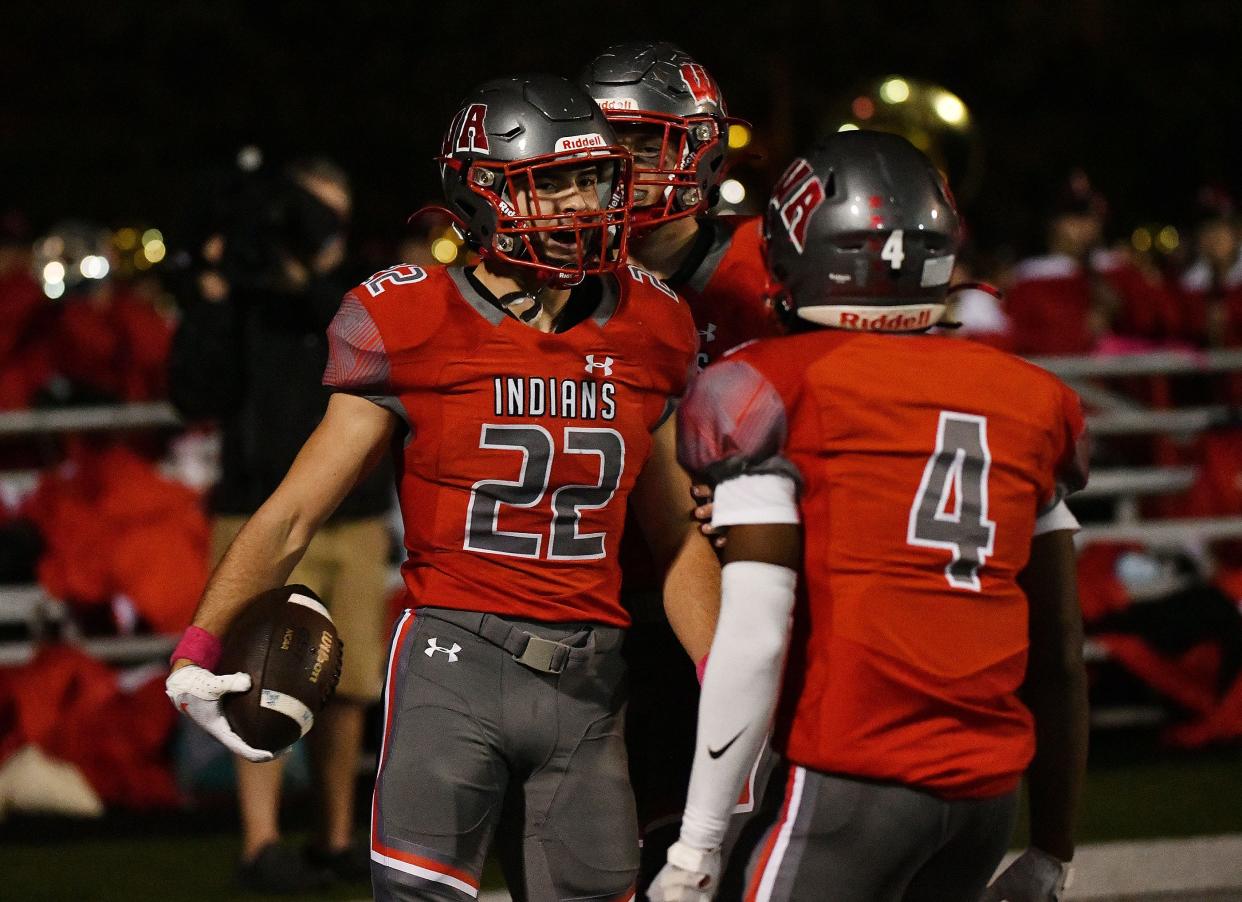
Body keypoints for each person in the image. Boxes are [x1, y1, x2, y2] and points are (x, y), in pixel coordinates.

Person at [166, 74, 720, 901]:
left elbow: (676, 539)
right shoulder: (411, 315)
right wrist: (198, 648)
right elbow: (291, 514)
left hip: (592, 682)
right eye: (551, 184)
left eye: (590, 179)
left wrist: (727, 678)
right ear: (485, 194)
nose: (581, 204)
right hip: (455, 665)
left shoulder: (655, 323)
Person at [653, 131, 1090, 902]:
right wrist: (1053, 847)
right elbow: (1059, 650)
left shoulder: (764, 385)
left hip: (852, 774)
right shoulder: (1033, 396)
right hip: (987, 793)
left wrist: (697, 846)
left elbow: (753, 635)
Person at [581, 41, 784, 893]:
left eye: (642, 144)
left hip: (759, 586)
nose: (620, 168)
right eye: (604, 146)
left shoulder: (771, 271)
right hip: (613, 595)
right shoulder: (564, 278)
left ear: (698, 147)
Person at [167, 157, 393, 892]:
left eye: (322, 211)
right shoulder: (247, 289)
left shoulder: (362, 291)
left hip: (350, 513)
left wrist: (310, 286)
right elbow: (194, 390)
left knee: (349, 683)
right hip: (255, 510)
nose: (308, 225)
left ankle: (335, 836)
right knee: (248, 674)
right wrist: (212, 297)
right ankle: (261, 843)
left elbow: (375, 360)